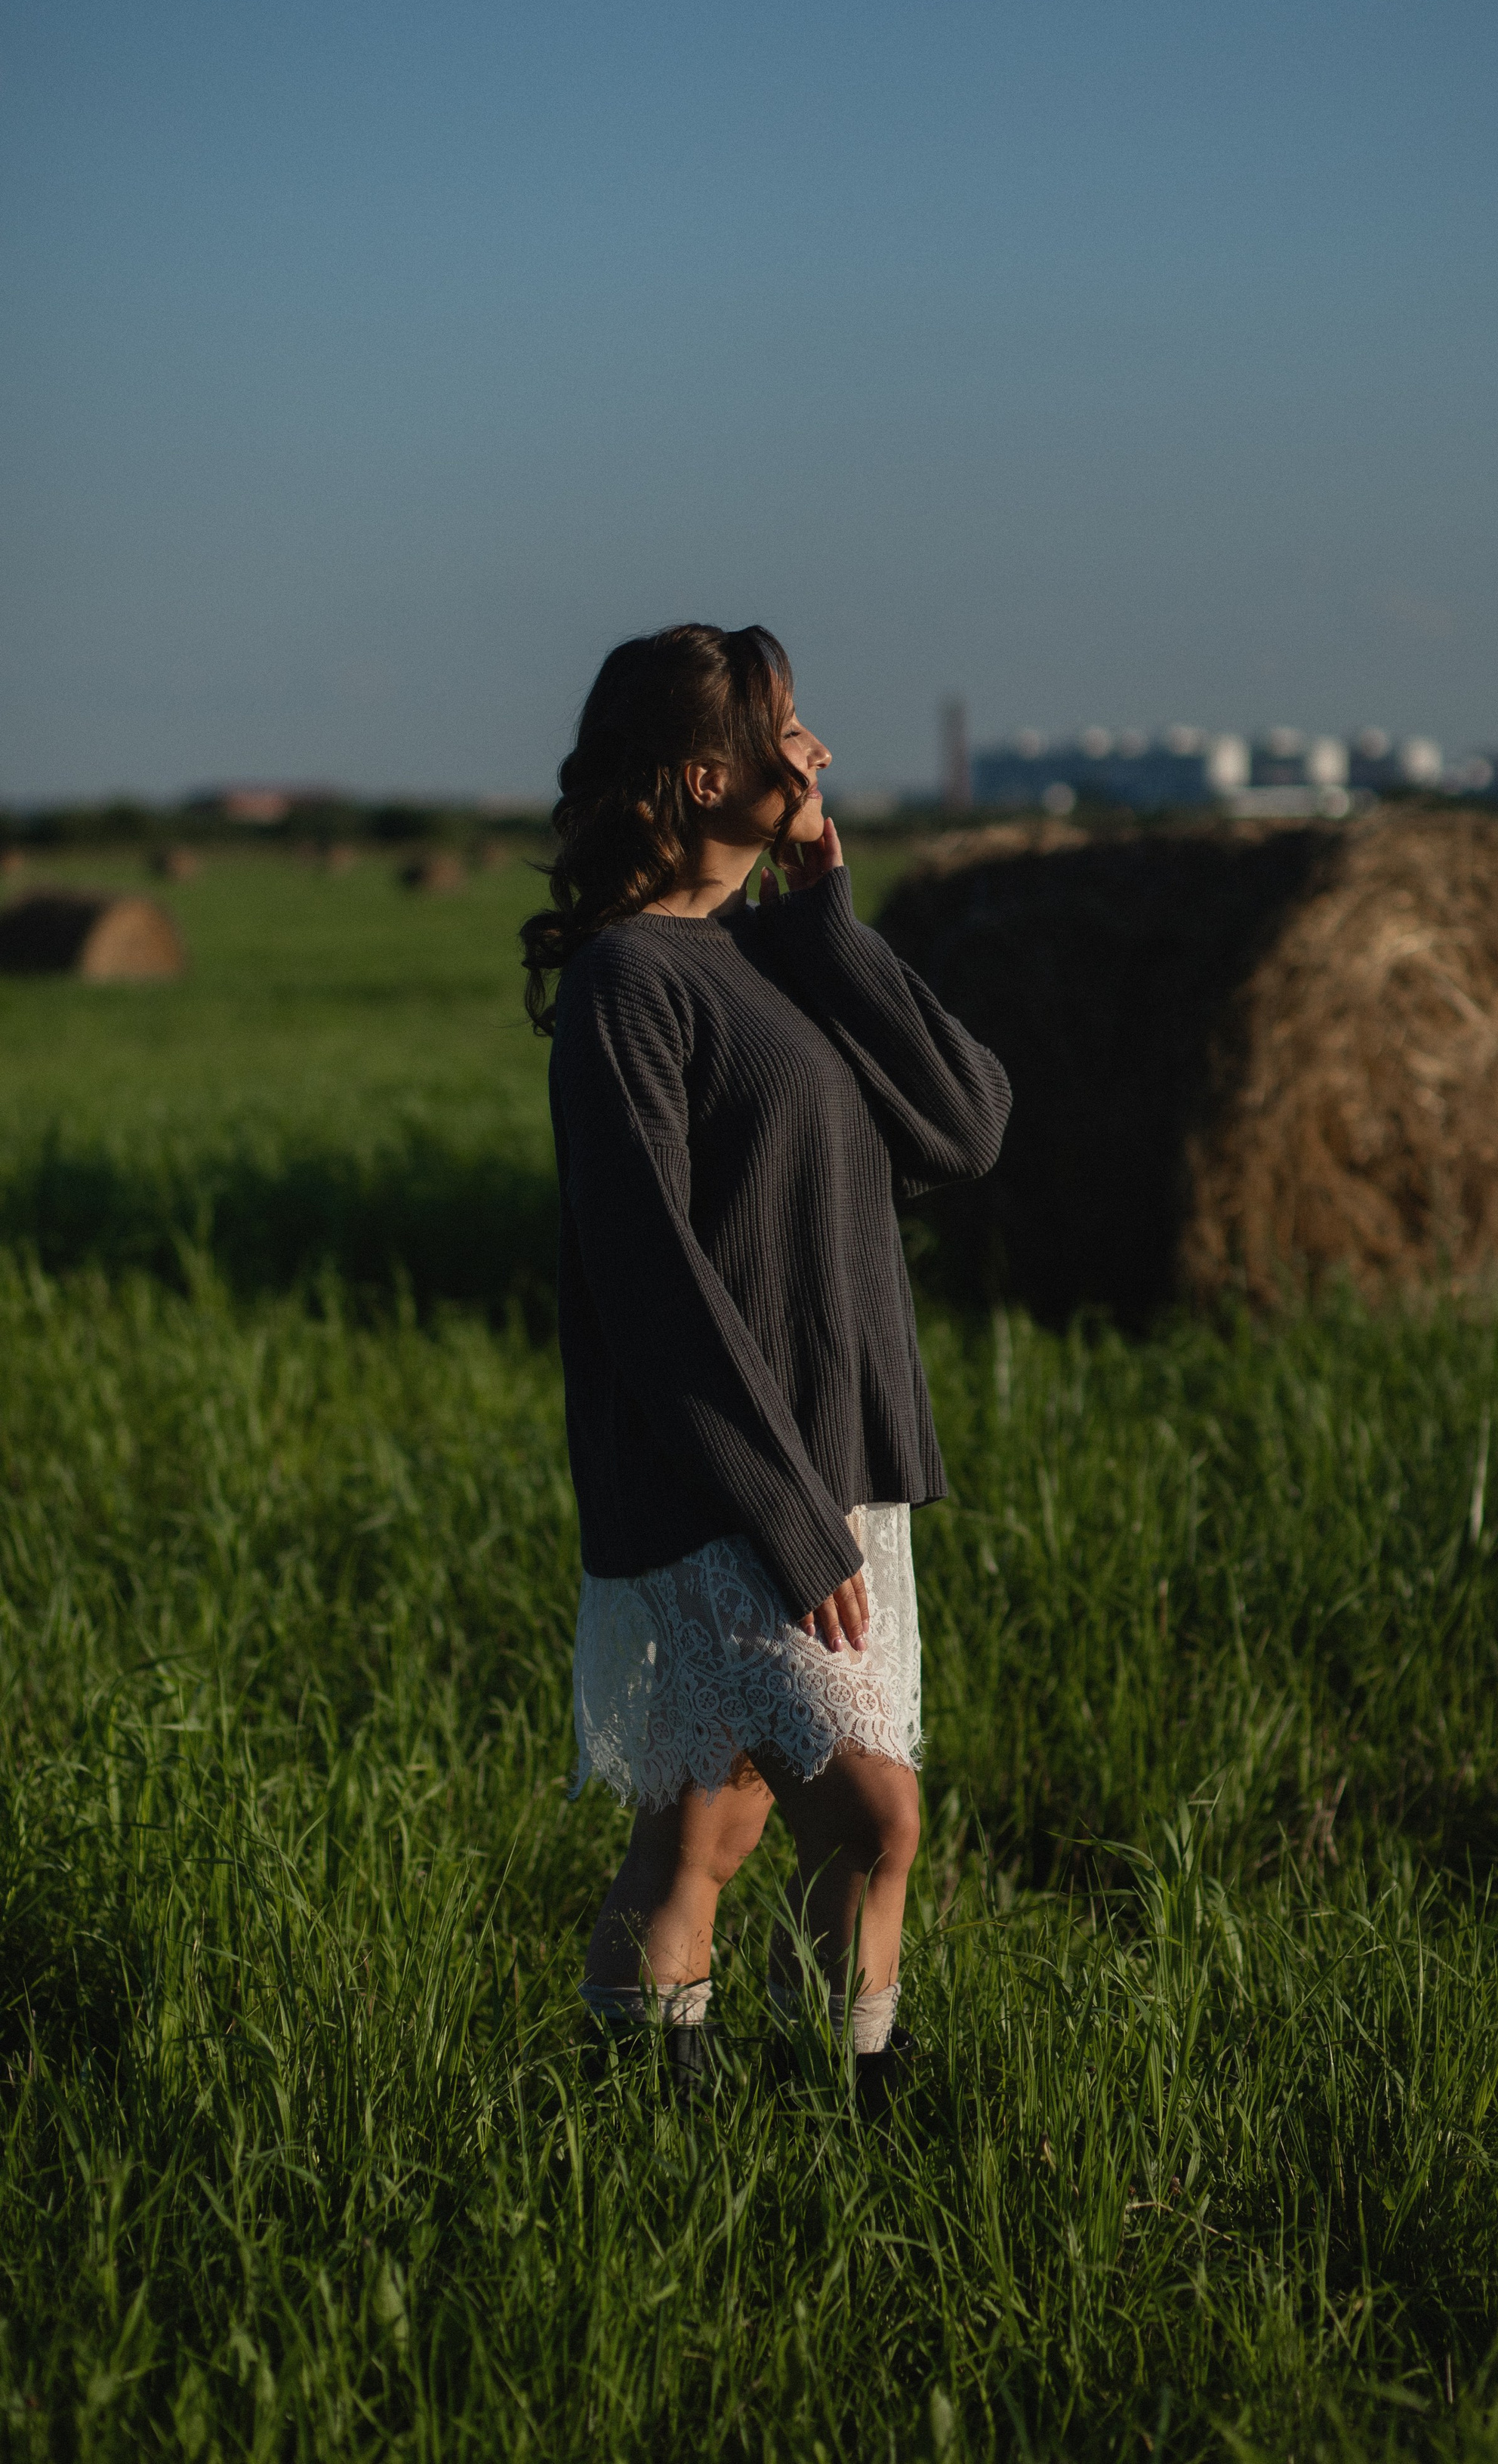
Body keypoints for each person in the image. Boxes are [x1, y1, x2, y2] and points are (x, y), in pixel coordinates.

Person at [519, 623, 1009, 2110]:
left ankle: (635, 2114)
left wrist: (829, 923)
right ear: (702, 774)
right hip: (728, 1476)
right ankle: (852, 2111)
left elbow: (964, 1125)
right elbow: (651, 1278)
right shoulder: (627, 982)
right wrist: (785, 1516)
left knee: (706, 1829)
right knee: (875, 1820)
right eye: (788, 730)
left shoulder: (770, 953)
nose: (817, 752)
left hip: (830, 1455)